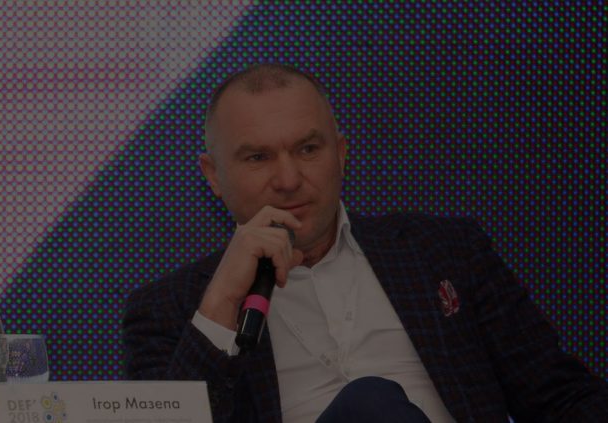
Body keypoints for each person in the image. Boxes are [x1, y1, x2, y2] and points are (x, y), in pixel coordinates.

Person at [122, 63, 608, 422]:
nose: (288, 180)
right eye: (257, 157)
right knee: (370, 406)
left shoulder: (444, 252)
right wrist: (221, 304)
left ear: (341, 153)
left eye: (308, 149)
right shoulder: (168, 310)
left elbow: (562, 397)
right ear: (213, 175)